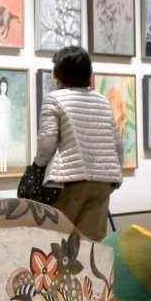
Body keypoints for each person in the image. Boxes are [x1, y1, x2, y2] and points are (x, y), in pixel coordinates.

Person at [34, 46, 123, 240]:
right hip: (103, 181)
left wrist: (38, 167)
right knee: (91, 244)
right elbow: (117, 143)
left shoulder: (54, 99)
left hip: (69, 180)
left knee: (58, 240)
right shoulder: (102, 101)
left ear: (60, 73)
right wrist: (114, 174)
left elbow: (46, 143)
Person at [0, 77, 11, 174]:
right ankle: (1, 166)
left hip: (6, 122)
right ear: (0, 87)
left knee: (6, 145)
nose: (3, 87)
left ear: (7, 87)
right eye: (2, 85)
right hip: (0, 121)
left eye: (5, 86)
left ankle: (5, 165)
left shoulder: (8, 100)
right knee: (1, 144)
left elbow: (9, 112)